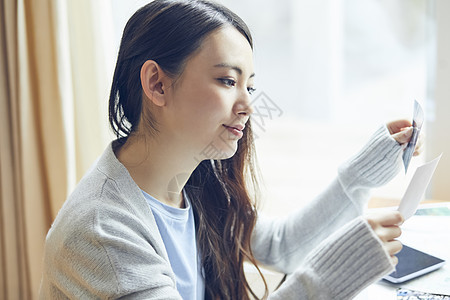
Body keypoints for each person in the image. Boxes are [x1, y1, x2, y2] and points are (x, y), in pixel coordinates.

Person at [39, 0, 422, 299]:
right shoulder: (102, 233)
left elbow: (281, 246)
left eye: (249, 86)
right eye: (227, 80)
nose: (249, 106)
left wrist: (360, 175)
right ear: (156, 84)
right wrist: (330, 277)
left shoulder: (194, 183)